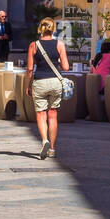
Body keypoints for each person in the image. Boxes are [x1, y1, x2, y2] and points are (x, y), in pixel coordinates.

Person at [26, 18, 71, 160]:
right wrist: (56, 60)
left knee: (41, 114)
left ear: (40, 28)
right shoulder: (60, 44)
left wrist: (28, 85)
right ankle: (52, 148)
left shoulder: (34, 45)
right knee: (53, 115)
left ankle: (44, 140)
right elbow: (66, 67)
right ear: (53, 29)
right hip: (55, 82)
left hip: (40, 81)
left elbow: (29, 69)